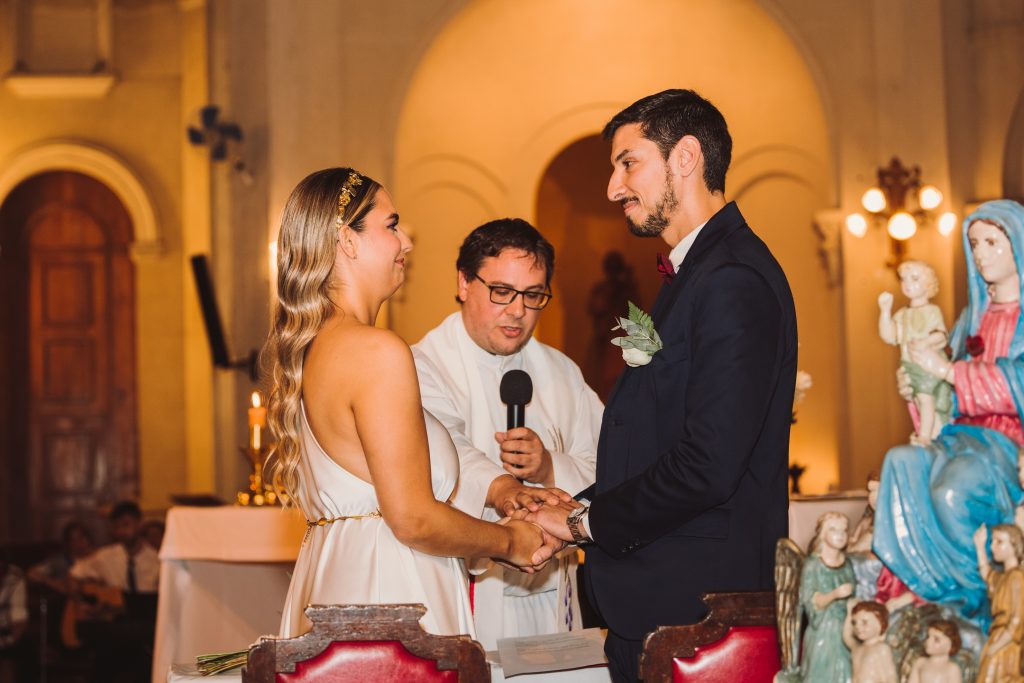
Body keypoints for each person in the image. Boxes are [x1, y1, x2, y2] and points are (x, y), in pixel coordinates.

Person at [525, 89, 797, 681]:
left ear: (686, 157)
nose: (612, 188)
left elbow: (708, 465)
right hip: (665, 607)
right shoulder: (696, 274)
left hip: (700, 615)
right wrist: (577, 506)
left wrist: (582, 524)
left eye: (628, 163)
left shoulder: (733, 278)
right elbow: (660, 442)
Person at [264, 168, 563, 639]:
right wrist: (509, 540)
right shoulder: (376, 351)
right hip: (390, 592)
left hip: (343, 575)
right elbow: (413, 517)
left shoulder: (318, 348)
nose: (406, 241)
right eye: (391, 225)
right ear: (347, 241)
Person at [412, 218, 602, 649]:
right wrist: (505, 489)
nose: (518, 310)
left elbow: (609, 465)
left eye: (533, 295)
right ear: (464, 282)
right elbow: (445, 450)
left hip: (553, 592)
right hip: (470, 589)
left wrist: (549, 467)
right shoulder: (423, 366)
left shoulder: (562, 373)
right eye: (501, 291)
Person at [874, 200, 1024, 632]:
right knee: (901, 463)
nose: (980, 254)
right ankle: (929, 590)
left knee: (951, 493)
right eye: (974, 244)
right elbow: (942, 390)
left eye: (992, 242)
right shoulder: (969, 319)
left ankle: (976, 599)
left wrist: (949, 372)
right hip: (958, 434)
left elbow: (1017, 382)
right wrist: (918, 386)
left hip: (1007, 441)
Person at [69, 501, 159, 683]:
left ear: (139, 524)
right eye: (117, 527)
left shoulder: (156, 560)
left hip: (145, 626)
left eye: (126, 524)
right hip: (116, 626)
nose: (121, 531)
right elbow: (75, 575)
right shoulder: (106, 556)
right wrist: (81, 603)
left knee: (137, 646)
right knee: (110, 643)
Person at [878, 260, 952, 444]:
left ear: (928, 285)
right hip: (910, 365)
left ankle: (925, 437)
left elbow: (942, 336)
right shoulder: (903, 314)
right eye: (904, 279)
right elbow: (890, 335)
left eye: (915, 279)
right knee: (919, 401)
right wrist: (885, 311)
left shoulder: (932, 311)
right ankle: (930, 433)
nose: (907, 284)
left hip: (927, 364)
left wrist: (926, 342)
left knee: (925, 398)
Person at [972, 523, 1024, 682]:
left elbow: (1017, 620)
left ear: (1014, 545)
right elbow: (988, 575)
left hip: (1006, 642)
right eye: (992, 541)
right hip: (997, 638)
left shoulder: (1017, 578)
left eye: (999, 542)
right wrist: (980, 547)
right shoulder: (1004, 577)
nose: (993, 547)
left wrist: (997, 646)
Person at [843, 600, 898, 683]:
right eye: (854, 623)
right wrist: (849, 614)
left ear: (879, 623)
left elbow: (890, 676)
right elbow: (847, 636)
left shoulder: (881, 648)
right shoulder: (857, 648)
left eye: (864, 622)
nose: (858, 627)